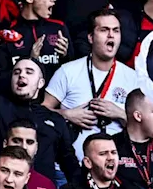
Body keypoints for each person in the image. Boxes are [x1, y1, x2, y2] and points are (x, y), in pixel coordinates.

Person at [0, 39, 81, 185]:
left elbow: (70, 163)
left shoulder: (55, 119)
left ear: (41, 83)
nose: (21, 75)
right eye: (16, 72)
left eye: (29, 72)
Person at [43, 9, 137, 158]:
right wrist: (67, 114)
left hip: (117, 166)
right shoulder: (68, 71)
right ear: (91, 38)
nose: (111, 35)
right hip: (71, 165)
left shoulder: (133, 78)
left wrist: (121, 114)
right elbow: (40, 112)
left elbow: (146, 126)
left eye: (116, 30)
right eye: (104, 30)